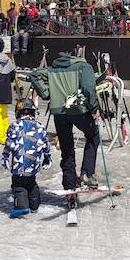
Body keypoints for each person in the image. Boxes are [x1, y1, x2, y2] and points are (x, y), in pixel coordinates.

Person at [29, 51, 100, 211]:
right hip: (78, 110)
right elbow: (89, 90)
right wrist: (94, 108)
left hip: (59, 112)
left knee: (67, 150)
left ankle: (69, 189)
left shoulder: (53, 69)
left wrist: (46, 93)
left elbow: (34, 75)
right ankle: (87, 173)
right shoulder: (84, 67)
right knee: (93, 135)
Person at [1, 99, 51, 218]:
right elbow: (45, 145)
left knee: (19, 185)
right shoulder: (40, 126)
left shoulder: (14, 126)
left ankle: (21, 206)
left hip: (19, 164)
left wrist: (5, 157)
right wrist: (47, 158)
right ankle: (34, 206)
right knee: (31, 183)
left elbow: (9, 144)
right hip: (34, 163)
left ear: (18, 112)